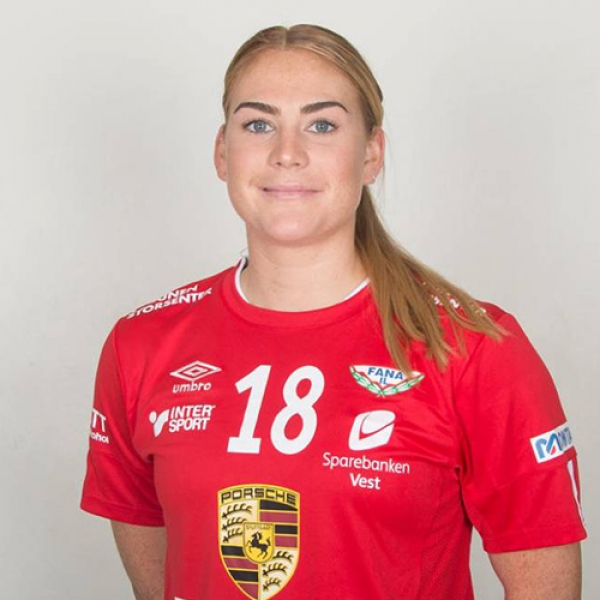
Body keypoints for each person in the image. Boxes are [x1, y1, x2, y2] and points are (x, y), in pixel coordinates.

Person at [80, 23, 587, 600]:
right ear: (222, 152)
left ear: (371, 154)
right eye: (258, 124)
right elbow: (160, 572)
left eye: (322, 125)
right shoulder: (141, 344)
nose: (287, 154)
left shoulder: (472, 347)